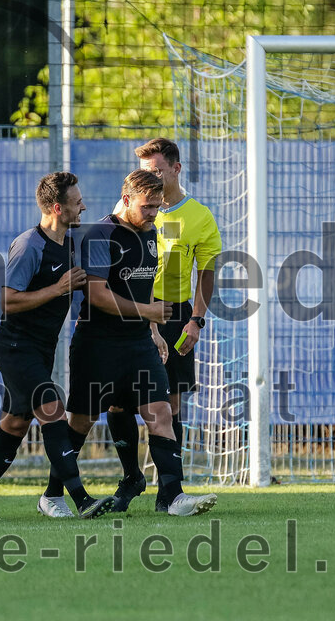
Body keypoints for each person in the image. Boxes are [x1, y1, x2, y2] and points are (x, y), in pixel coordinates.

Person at [45, 169, 216, 516]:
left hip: (138, 341)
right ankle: (51, 495)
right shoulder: (100, 235)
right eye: (148, 206)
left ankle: (174, 495)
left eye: (157, 206)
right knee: (81, 420)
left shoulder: (152, 232)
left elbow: (144, 283)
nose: (153, 213)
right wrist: (150, 312)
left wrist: (153, 331)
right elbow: (97, 295)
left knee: (161, 412)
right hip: (98, 343)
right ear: (126, 200)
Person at [0, 172, 113, 520]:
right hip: (14, 346)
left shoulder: (72, 242)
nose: (84, 206)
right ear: (58, 208)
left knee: (15, 424)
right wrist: (58, 289)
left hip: (40, 349)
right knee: (53, 410)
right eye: (77, 202)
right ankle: (81, 500)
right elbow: (7, 301)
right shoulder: (30, 244)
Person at [107, 138, 222, 512]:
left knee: (170, 404)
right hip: (130, 313)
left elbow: (207, 272)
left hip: (174, 316)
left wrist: (196, 320)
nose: (149, 177)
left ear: (175, 169)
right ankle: (131, 476)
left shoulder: (199, 216)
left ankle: (170, 490)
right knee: (119, 404)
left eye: (156, 170)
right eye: (144, 170)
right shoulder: (127, 209)